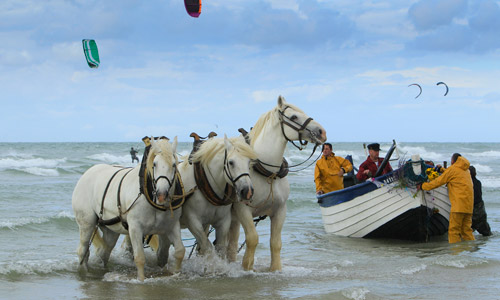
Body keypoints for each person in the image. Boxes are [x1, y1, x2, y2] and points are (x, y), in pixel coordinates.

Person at [418, 153, 474, 243]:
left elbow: (438, 182)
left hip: (458, 207)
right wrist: (442, 169)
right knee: (466, 231)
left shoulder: (452, 169)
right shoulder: (466, 171)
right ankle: (470, 251)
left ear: (452, 161)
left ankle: (456, 254)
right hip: (469, 207)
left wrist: (423, 186)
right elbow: (453, 174)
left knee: (453, 231)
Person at [469, 165, 492, 236]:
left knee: (467, 229)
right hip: (480, 208)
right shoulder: (478, 182)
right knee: (486, 232)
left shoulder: (467, 183)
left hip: (472, 208)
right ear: (475, 173)